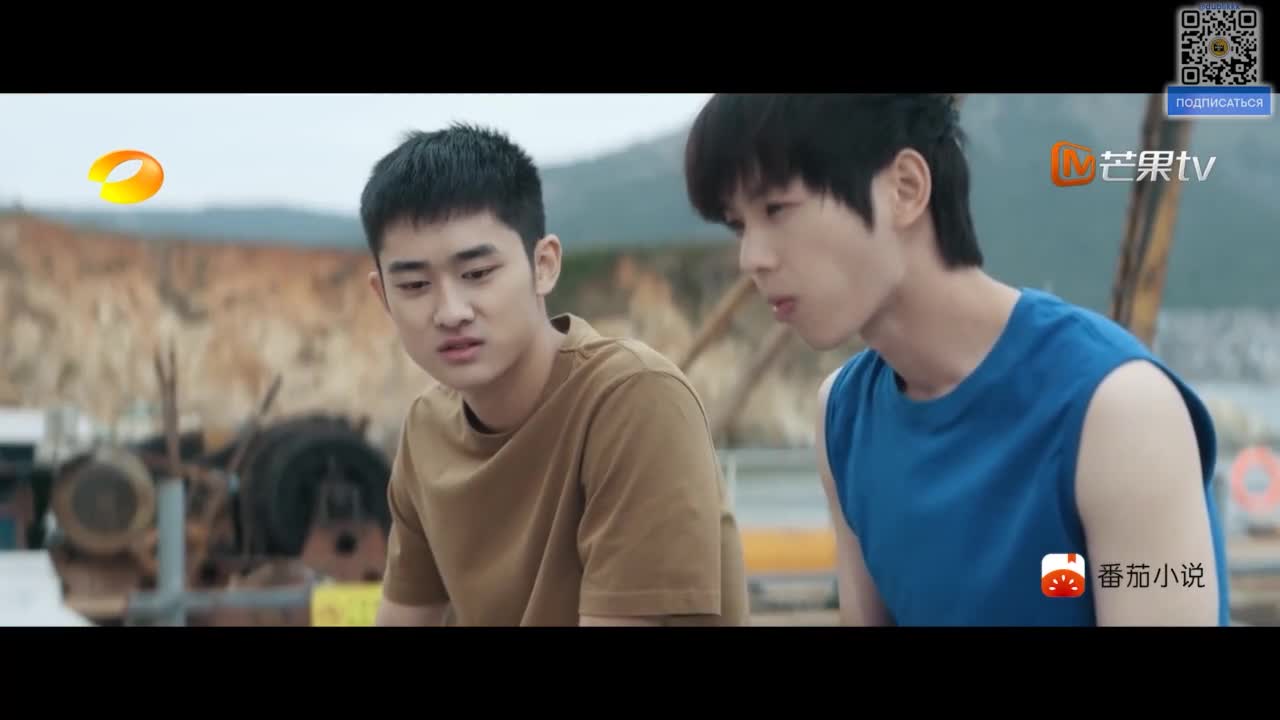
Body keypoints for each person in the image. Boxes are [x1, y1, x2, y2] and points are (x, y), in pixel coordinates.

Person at [682, 93, 1230, 626]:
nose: (752, 258)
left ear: (905, 188)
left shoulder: (1117, 408)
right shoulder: (842, 416)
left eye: (777, 209)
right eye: (739, 225)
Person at [361, 123, 749, 627]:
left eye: (477, 274)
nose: (451, 311)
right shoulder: (426, 430)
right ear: (383, 297)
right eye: (414, 285)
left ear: (543, 265)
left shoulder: (632, 397)